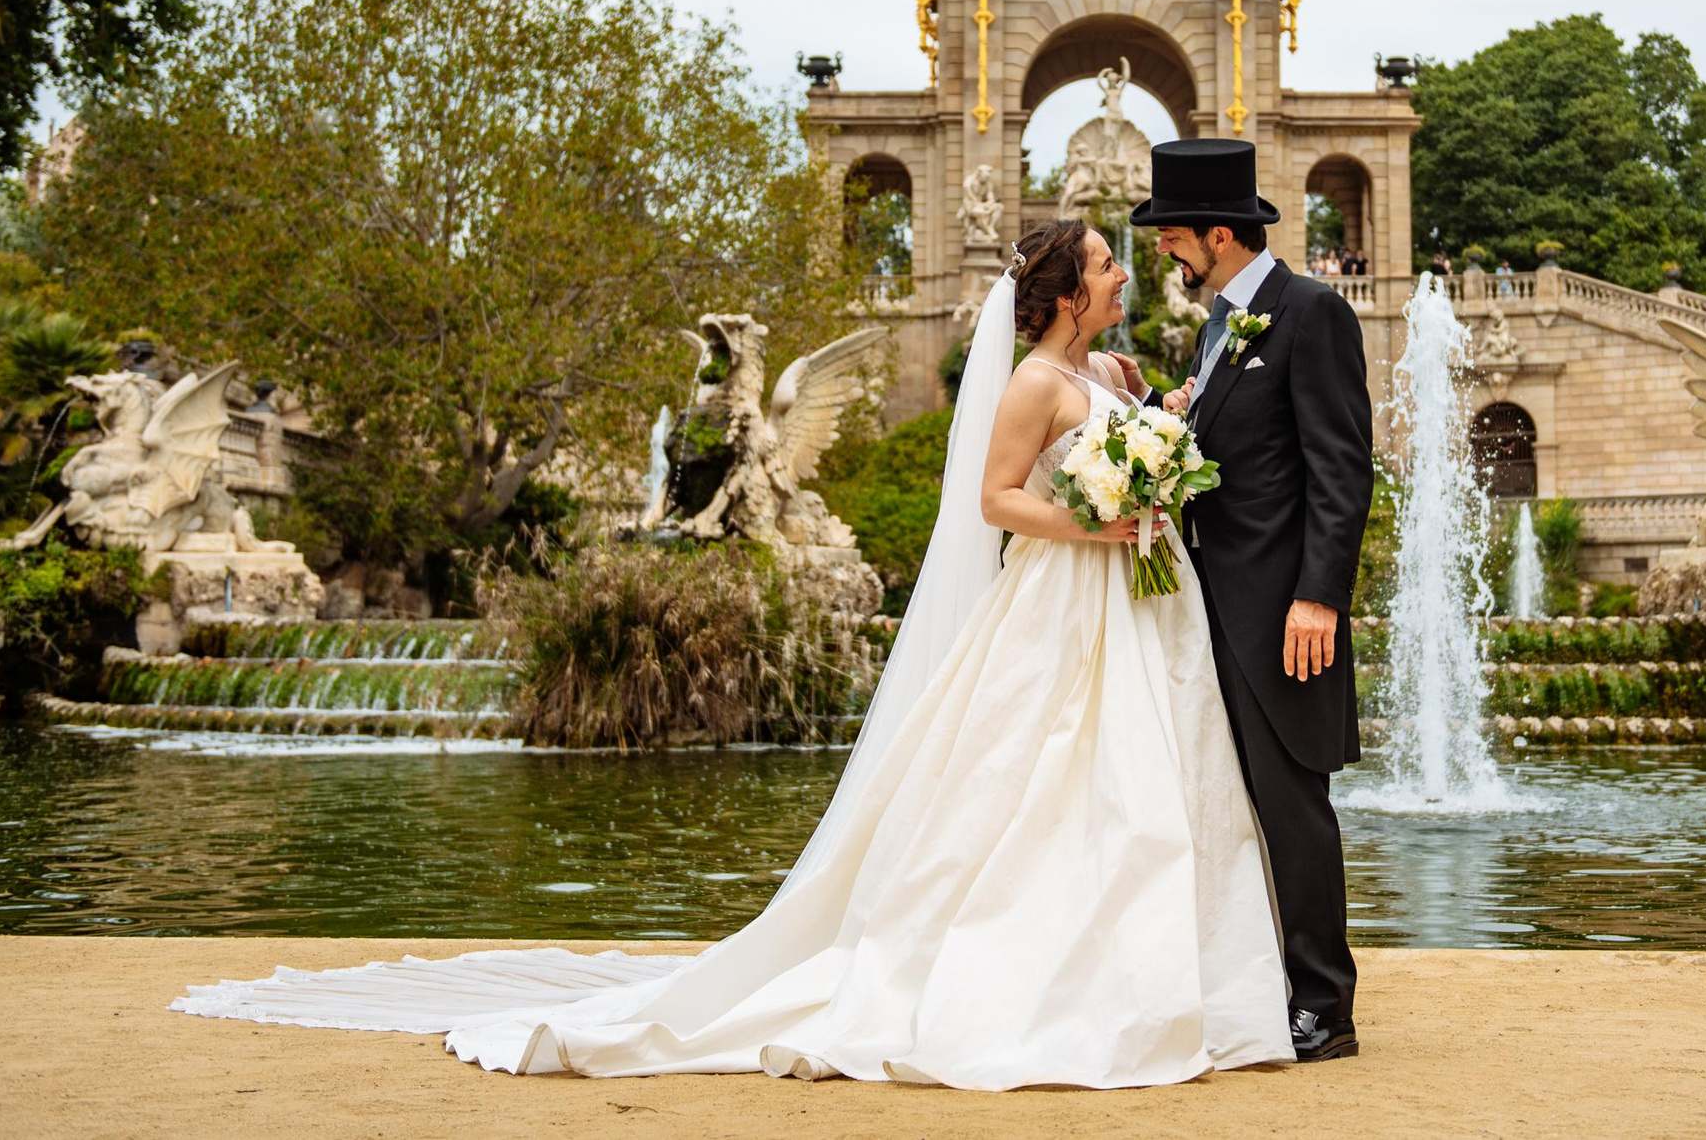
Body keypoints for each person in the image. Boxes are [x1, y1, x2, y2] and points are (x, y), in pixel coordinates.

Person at [172, 217, 1294, 1089]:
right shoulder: (1031, 385)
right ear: (1060, 292)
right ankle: (1035, 978)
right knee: (1035, 784)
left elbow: (1163, 437)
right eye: (1104, 265)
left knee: (1152, 787)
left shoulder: (1116, 376)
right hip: (1062, 599)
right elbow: (998, 502)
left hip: (1145, 607)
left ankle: (1169, 979)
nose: (1120, 277)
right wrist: (1096, 520)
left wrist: (1168, 438)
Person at [1132, 138, 1372, 1064]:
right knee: (1238, 805)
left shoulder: (1310, 313)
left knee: (1292, 805)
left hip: (1282, 619)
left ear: (1220, 233)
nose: (1164, 252)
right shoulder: (1220, 324)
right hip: (1213, 614)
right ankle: (1263, 984)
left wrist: (1319, 598)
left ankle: (1325, 1006)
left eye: (1173, 236)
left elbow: (1341, 469)